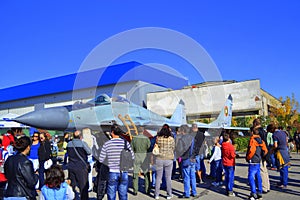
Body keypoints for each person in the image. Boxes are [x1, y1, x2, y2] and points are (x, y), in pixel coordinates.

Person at [99, 124, 134, 200]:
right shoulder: (125, 143)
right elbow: (132, 157)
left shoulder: (107, 144)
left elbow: (101, 159)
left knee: (111, 194)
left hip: (112, 171)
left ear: (112, 132)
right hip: (124, 171)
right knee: (123, 194)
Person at [67, 130, 91, 200]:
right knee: (83, 186)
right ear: (80, 136)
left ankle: (72, 198)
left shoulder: (69, 144)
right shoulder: (83, 143)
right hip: (81, 167)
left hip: (71, 166)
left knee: (72, 185)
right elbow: (89, 152)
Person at [246, 127, 268, 200]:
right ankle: (259, 192)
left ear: (252, 132)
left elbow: (252, 150)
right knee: (258, 176)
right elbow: (265, 150)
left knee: (251, 177)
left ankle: (253, 192)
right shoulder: (261, 140)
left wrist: (248, 157)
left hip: (253, 160)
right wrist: (261, 156)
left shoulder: (252, 140)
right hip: (258, 160)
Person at [154, 124, 175, 200]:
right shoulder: (171, 139)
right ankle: (169, 194)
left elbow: (156, 146)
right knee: (168, 178)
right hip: (169, 159)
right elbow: (173, 147)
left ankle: (156, 194)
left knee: (158, 177)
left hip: (159, 158)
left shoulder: (158, 138)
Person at [177, 124, 197, 199]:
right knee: (193, 176)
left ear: (183, 131)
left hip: (186, 159)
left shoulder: (182, 139)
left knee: (186, 177)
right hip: (193, 158)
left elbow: (180, 150)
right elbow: (196, 149)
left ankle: (187, 193)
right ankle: (194, 192)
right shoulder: (192, 138)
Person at [131, 126, 151, 195]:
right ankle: (147, 189)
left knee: (135, 174)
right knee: (146, 174)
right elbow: (149, 147)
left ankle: (135, 190)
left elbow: (132, 148)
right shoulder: (146, 138)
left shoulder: (134, 138)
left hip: (136, 156)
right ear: (143, 131)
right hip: (144, 156)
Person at [253, 118, 270, 193]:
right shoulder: (264, 131)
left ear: (255, 124)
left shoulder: (258, 132)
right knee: (265, 170)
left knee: (261, 171)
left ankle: (263, 187)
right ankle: (267, 186)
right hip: (265, 152)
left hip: (259, 153)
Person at [222, 132, 236, 197]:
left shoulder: (223, 145)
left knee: (227, 176)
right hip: (230, 162)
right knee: (231, 177)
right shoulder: (231, 146)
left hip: (225, 162)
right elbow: (232, 155)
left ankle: (227, 189)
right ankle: (230, 190)